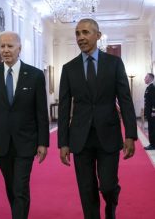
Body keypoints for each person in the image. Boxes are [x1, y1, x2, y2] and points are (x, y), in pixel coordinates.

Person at [58, 18, 137, 219]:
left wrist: (130, 135)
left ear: (98, 36)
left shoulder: (114, 63)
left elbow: (125, 100)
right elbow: (65, 107)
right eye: (77, 33)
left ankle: (111, 208)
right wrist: (63, 143)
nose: (81, 37)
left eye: (85, 32)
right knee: (86, 188)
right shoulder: (69, 68)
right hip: (80, 138)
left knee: (108, 186)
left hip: (108, 135)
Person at [0, 31, 49, 219]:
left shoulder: (35, 75)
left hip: (26, 141)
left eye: (10, 46)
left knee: (20, 187)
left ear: (19, 49)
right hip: (1, 142)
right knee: (11, 186)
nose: (6, 50)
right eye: (2, 46)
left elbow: (41, 112)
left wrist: (43, 142)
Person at [144, 73, 155, 150]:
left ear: (150, 78)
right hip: (149, 112)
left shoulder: (152, 88)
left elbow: (154, 100)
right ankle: (152, 143)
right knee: (150, 128)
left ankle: (153, 145)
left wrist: (154, 111)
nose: (144, 78)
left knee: (152, 128)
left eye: (146, 77)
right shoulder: (149, 87)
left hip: (152, 113)